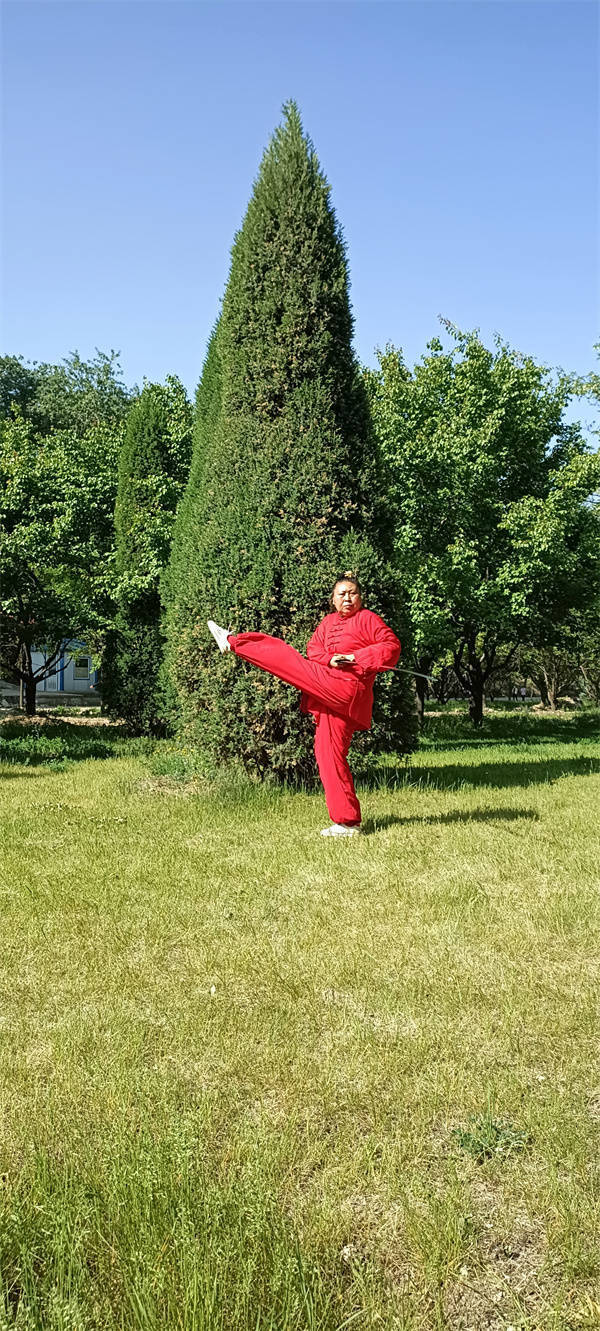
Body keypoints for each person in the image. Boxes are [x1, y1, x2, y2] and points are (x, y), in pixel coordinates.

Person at [207, 576, 401, 837]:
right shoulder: (327, 622)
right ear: (333, 600)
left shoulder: (368, 619)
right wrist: (330, 660)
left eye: (352, 593)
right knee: (328, 754)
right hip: (328, 689)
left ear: (360, 598)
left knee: (291, 661)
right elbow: (314, 650)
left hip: (347, 687)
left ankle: (234, 642)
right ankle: (348, 823)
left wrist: (355, 656)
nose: (347, 598)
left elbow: (391, 646)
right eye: (342, 594)